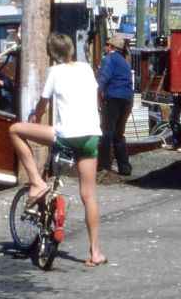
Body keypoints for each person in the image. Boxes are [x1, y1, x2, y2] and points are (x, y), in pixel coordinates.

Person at [9, 33, 107, 267]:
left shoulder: (54, 73)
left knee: (15, 130)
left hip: (65, 136)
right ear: (72, 49)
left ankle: (36, 181)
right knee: (89, 195)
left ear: (51, 53)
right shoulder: (85, 69)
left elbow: (42, 106)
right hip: (91, 137)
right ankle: (95, 252)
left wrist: (36, 116)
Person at [97, 37, 133, 176]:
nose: (105, 47)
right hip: (127, 99)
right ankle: (125, 167)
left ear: (112, 47)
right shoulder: (124, 62)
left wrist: (95, 94)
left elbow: (102, 79)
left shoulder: (109, 59)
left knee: (106, 132)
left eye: (107, 44)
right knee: (118, 134)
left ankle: (104, 166)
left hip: (113, 98)